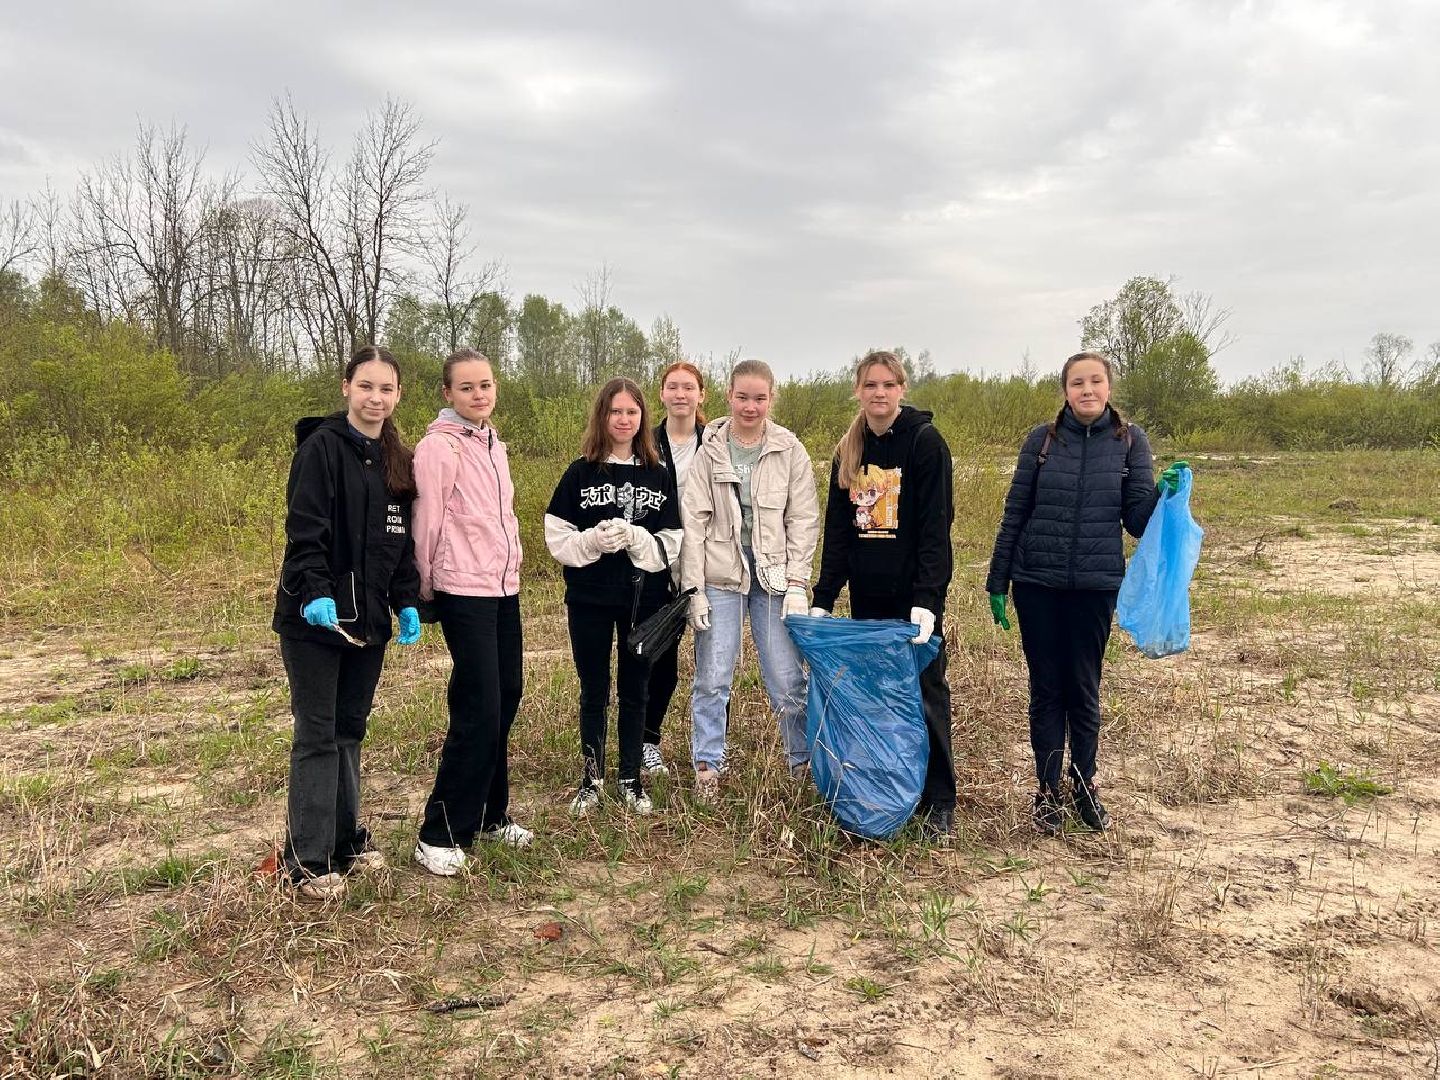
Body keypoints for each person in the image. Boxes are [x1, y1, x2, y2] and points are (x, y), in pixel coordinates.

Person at [986, 350, 1184, 834]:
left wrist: (1163, 493)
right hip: (1037, 584)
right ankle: (1047, 790)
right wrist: (998, 581)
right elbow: (1015, 512)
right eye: (1078, 383)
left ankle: (1084, 784)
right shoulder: (1042, 442)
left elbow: (1136, 522)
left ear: (1109, 388)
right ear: (1066, 391)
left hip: (1095, 588)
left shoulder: (1130, 443)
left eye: (1096, 381)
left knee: (1084, 690)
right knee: (1046, 691)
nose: (1087, 390)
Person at [272, 345, 422, 901]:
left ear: (397, 395)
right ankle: (308, 860)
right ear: (346, 387)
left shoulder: (397, 459)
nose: (375, 398)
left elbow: (399, 543)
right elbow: (304, 532)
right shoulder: (320, 449)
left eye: (386, 389)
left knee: (350, 730)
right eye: (366, 386)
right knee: (317, 733)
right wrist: (314, 592)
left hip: (368, 624)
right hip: (315, 621)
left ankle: (345, 840)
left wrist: (406, 601)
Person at [810, 350, 958, 840]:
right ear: (858, 390)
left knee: (925, 693)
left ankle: (938, 798)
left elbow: (937, 529)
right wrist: (824, 595)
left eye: (888, 384)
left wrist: (929, 600)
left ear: (902, 389)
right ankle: (886, 789)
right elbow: (840, 533)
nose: (879, 393)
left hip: (912, 602)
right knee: (876, 697)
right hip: (867, 601)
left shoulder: (925, 443)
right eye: (871, 384)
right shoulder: (848, 452)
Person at [410, 349, 530, 877]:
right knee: (478, 705)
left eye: (485, 385)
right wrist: (425, 588)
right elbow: (428, 520)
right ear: (447, 394)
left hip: (503, 586)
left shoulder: (493, 444)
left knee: (506, 694)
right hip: (462, 588)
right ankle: (439, 830)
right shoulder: (438, 448)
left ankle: (489, 815)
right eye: (466, 388)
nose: (478, 395)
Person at [680, 359, 820, 800]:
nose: (750, 406)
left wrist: (797, 582)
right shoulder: (710, 450)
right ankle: (708, 764)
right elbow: (693, 523)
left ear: (771, 398)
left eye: (760, 398)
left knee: (785, 676)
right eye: (743, 396)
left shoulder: (789, 449)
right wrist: (694, 589)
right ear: (729, 395)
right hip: (721, 571)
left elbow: (803, 519)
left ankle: (803, 764)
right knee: (713, 672)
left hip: (773, 572)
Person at [545, 377, 682, 816]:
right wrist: (591, 542)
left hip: (644, 599)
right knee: (593, 687)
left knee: (636, 688)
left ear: (642, 417)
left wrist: (638, 537)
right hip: (589, 597)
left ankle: (630, 778)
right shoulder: (580, 471)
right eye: (615, 411)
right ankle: (591, 779)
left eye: (632, 412)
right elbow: (556, 536)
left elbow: (673, 540)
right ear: (602, 416)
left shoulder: (659, 474)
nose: (623, 420)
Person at [643, 361, 709, 777]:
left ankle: (709, 749)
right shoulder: (645, 443)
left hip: (706, 561)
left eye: (689, 387)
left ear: (702, 395)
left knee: (711, 662)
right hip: (657, 562)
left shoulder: (715, 441)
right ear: (663, 394)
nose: (681, 394)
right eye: (673, 386)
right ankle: (647, 741)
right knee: (658, 657)